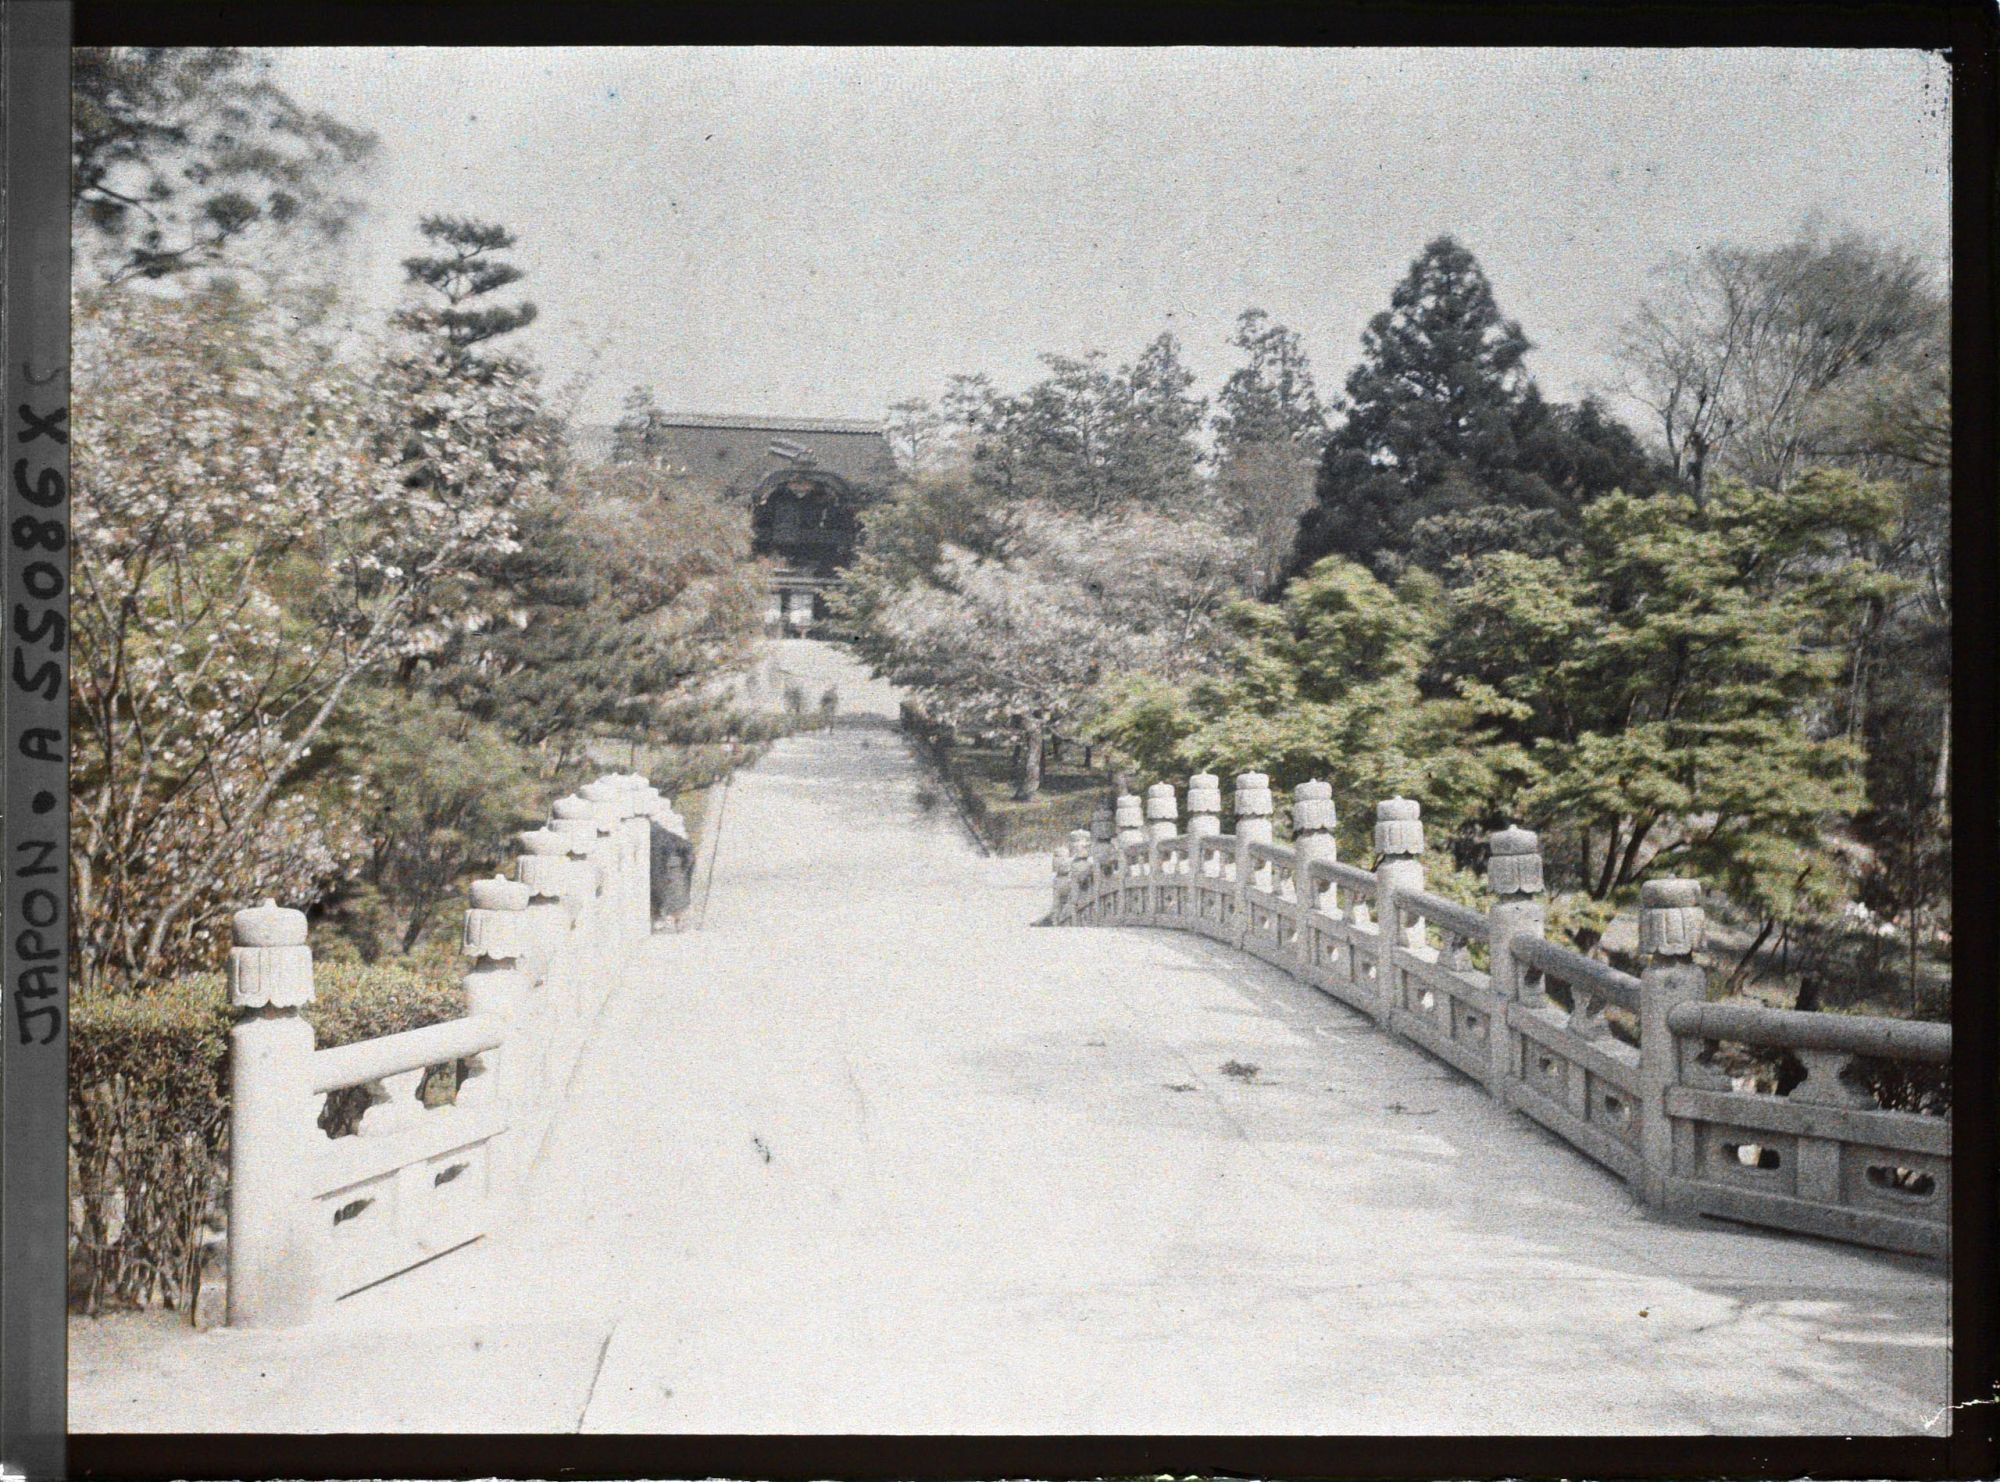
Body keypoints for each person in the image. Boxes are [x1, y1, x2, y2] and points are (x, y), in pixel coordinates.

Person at [649, 814, 695, 932]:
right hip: (672, 856)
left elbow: (657, 878)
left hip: (669, 857)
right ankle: (673, 917)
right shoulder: (659, 837)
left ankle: (671, 917)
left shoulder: (659, 841)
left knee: (670, 884)